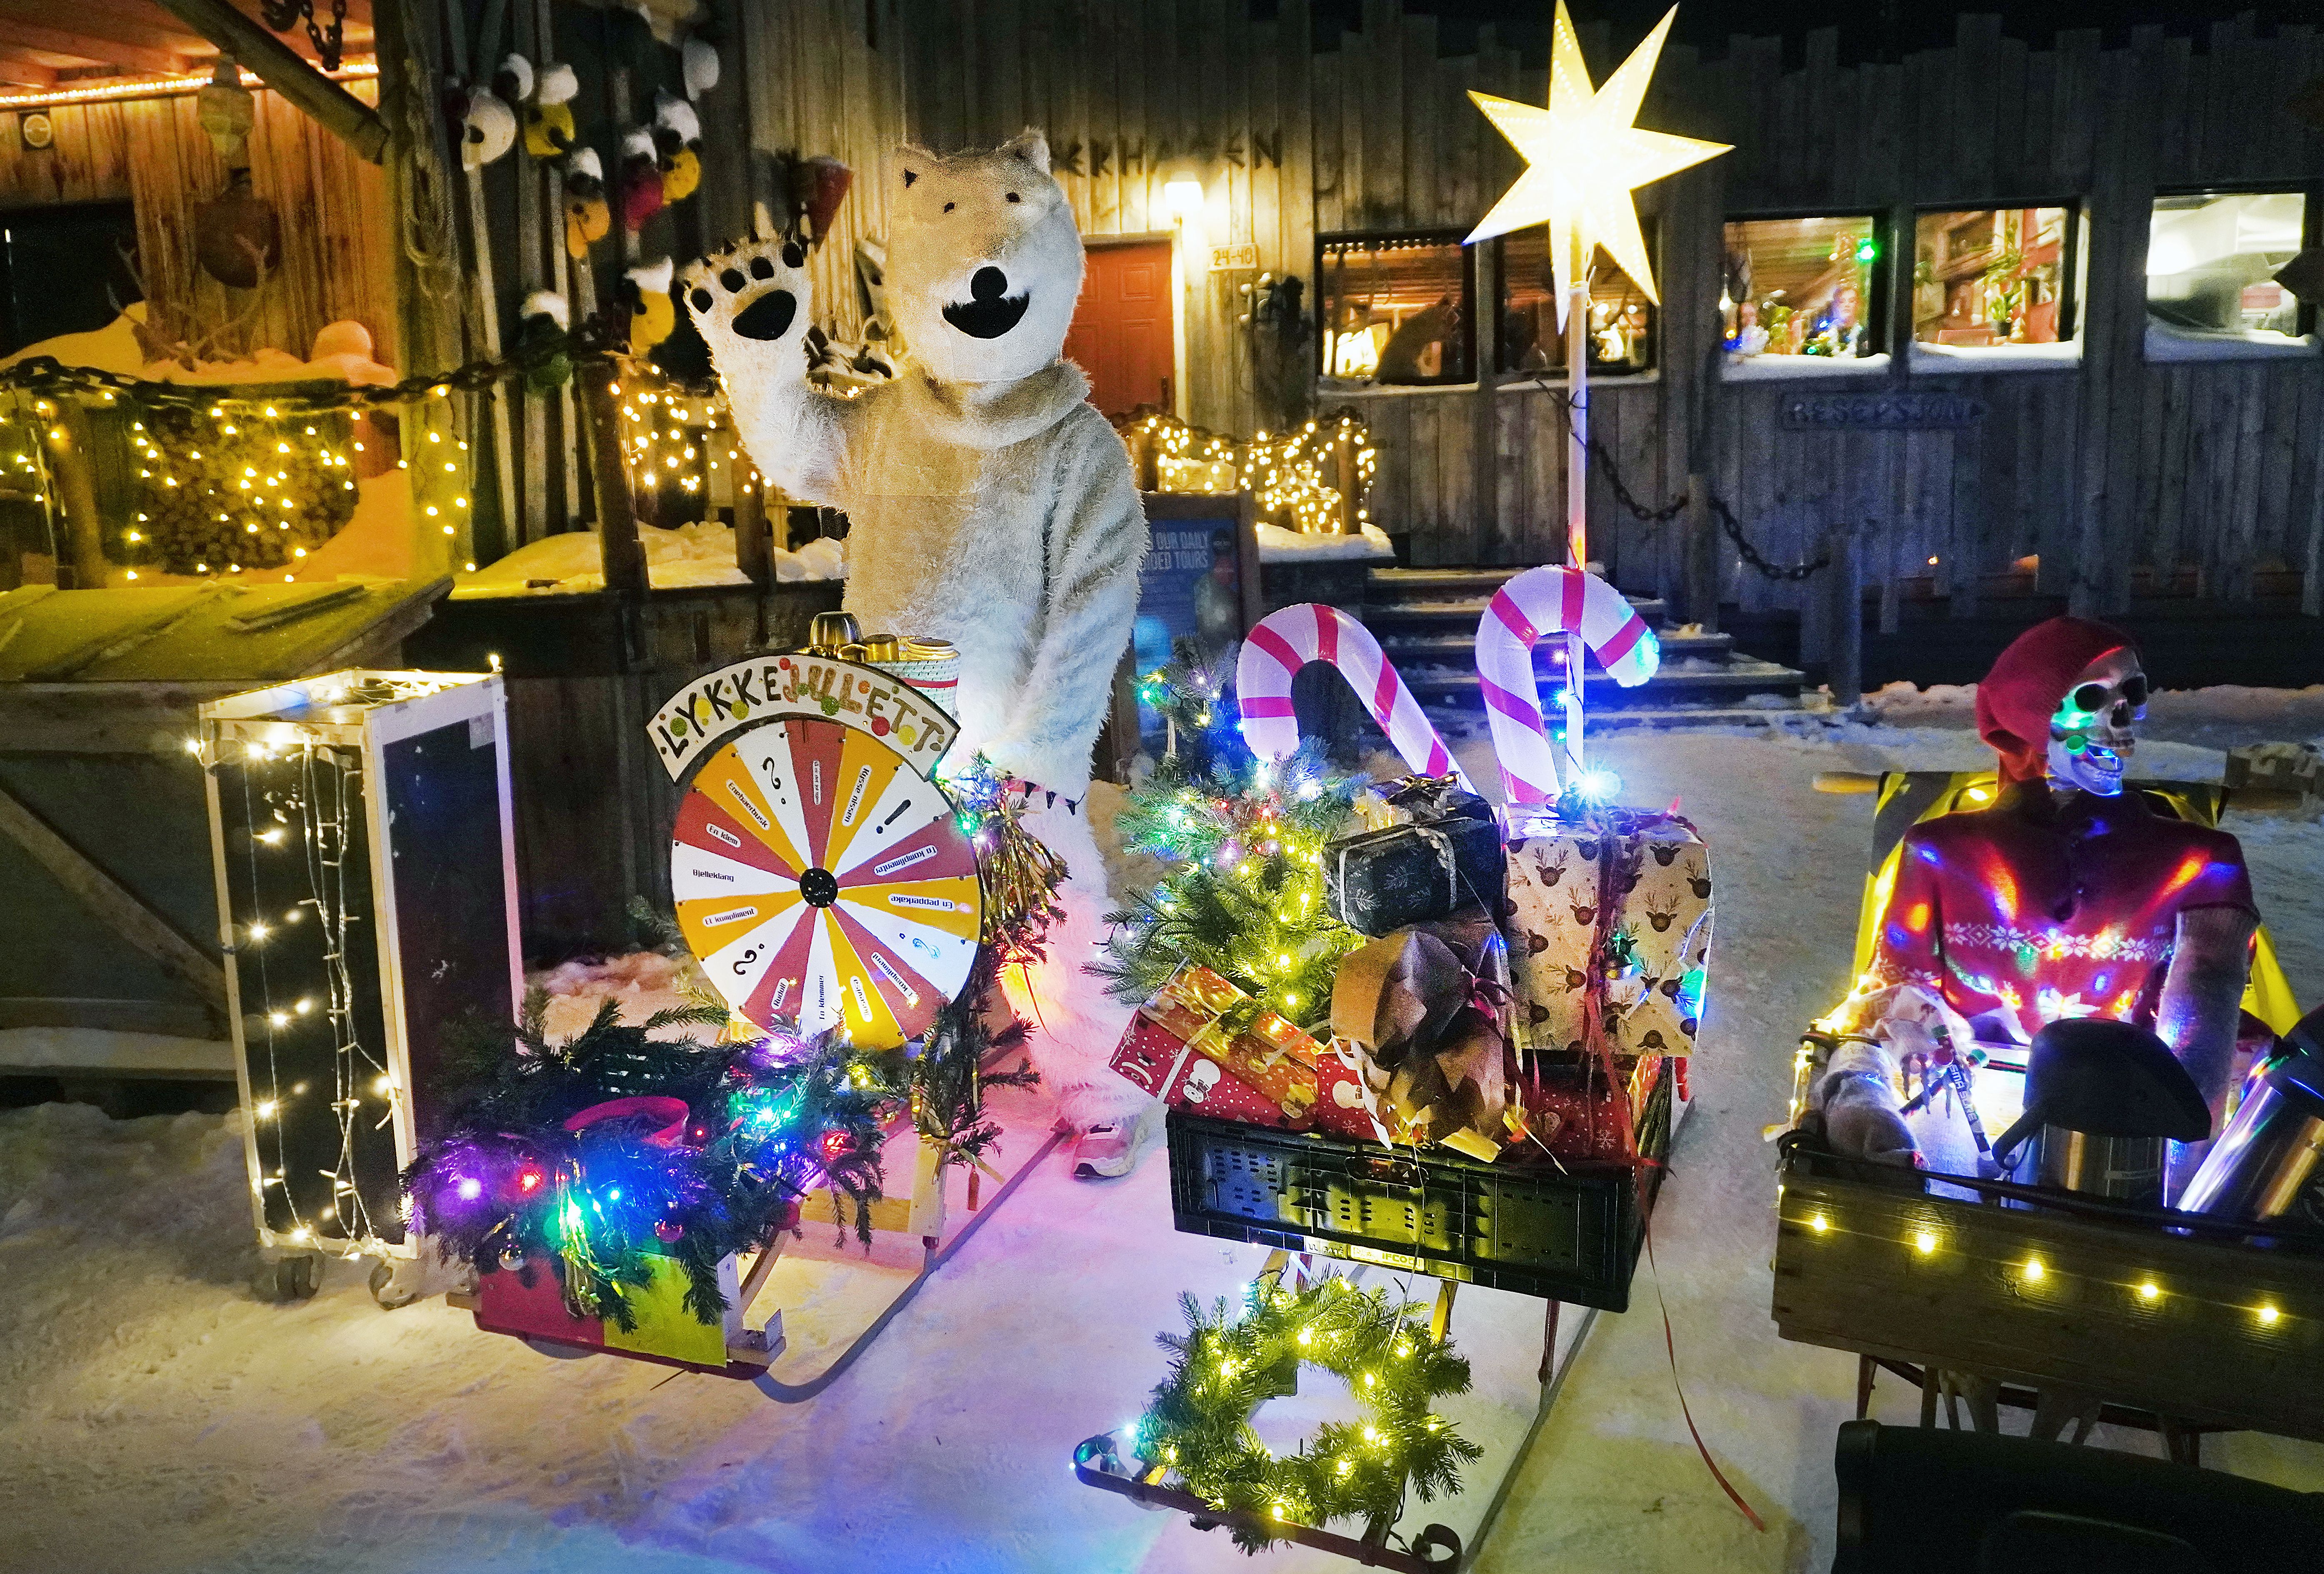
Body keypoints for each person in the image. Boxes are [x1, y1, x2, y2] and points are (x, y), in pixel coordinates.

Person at [1839, 616, 2259, 1201]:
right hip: (1967, 1118)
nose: (2121, 720)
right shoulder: (1940, 852)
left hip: (2129, 1137)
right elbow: (1898, 993)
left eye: (2132, 695)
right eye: (2091, 698)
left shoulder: (2200, 863)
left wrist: (2184, 1198)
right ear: (2032, 714)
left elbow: (2202, 1036)